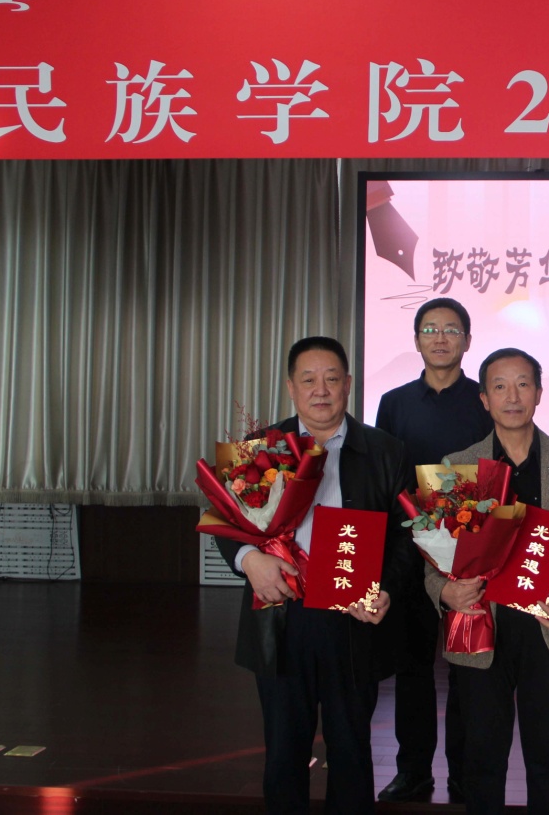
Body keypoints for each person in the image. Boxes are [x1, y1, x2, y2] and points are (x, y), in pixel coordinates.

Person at [215, 336, 416, 815]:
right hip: (282, 613)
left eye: (331, 379)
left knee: (351, 749)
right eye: (308, 379)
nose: (320, 390)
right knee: (284, 749)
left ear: (348, 384)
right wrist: (249, 560)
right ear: (291, 387)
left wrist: (387, 588)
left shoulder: (386, 451)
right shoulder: (259, 447)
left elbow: (410, 535)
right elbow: (223, 520)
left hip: (353, 618)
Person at [426, 348, 549, 815]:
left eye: (523, 384)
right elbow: (433, 551)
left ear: (539, 393)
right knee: (482, 755)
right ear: (484, 399)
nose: (512, 396)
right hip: (481, 623)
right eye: (500, 386)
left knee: (548, 757)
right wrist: (444, 591)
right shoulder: (457, 464)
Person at [373, 297, 493, 804]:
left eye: (450, 329)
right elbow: (382, 476)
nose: (440, 338)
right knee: (413, 668)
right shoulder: (394, 402)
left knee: (468, 669)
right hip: (411, 553)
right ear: (417, 339)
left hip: (471, 556)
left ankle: (465, 774)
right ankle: (413, 771)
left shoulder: (485, 400)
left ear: (467, 340)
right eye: (430, 329)